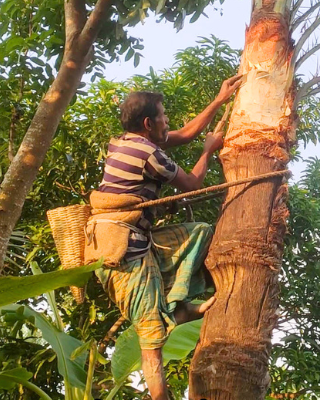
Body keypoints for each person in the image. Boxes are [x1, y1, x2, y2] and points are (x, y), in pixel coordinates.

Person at [89, 75, 243, 400]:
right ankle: (159, 397)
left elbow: (185, 134)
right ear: (149, 122)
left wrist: (219, 99)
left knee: (197, 234)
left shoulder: (123, 143)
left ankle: (178, 307)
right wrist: (208, 151)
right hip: (124, 251)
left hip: (135, 240)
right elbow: (191, 184)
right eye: (163, 115)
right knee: (151, 341)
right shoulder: (150, 154)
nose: (167, 120)